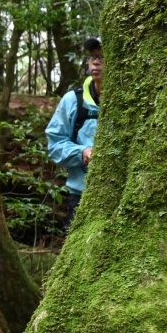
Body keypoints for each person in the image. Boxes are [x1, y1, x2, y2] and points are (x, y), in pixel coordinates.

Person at [46, 37, 103, 228]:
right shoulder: (73, 101)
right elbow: (55, 143)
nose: (96, 62)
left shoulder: (132, 101)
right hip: (80, 196)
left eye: (103, 57)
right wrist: (82, 152)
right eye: (93, 57)